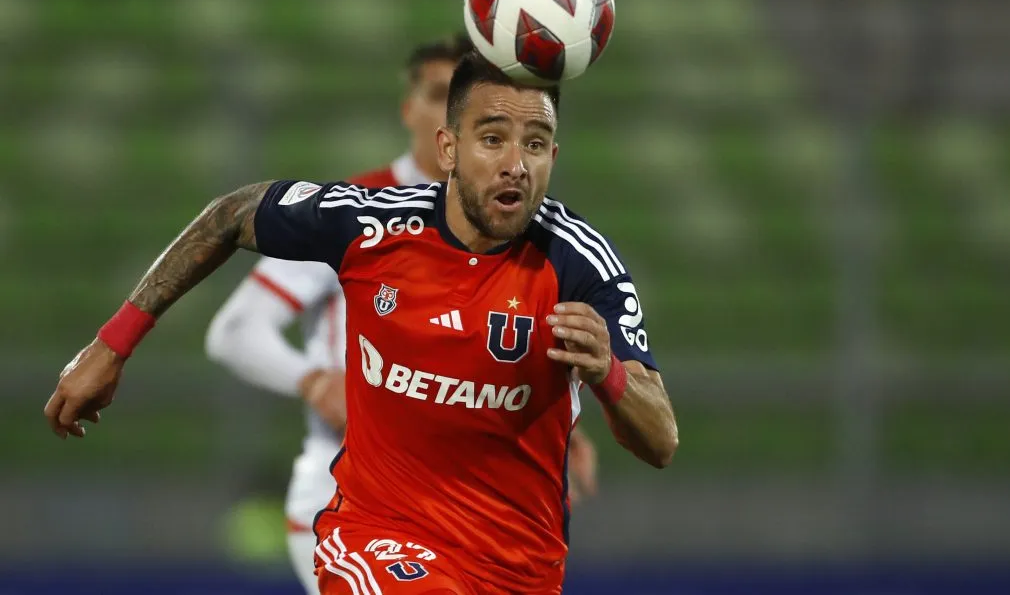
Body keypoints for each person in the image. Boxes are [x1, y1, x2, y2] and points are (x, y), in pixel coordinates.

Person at [44, 52, 678, 595]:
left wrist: (609, 375)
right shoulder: (372, 227)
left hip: (518, 569)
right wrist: (111, 345)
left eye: (535, 144)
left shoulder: (580, 265)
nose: (516, 163)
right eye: (493, 139)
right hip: (376, 536)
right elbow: (230, 215)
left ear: (554, 155)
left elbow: (661, 441)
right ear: (448, 148)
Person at [203, 35, 598, 594]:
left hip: (470, 519)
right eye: (436, 94)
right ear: (415, 113)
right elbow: (235, 331)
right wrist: (313, 379)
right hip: (352, 496)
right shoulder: (358, 211)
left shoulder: (520, 235)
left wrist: (556, 429)